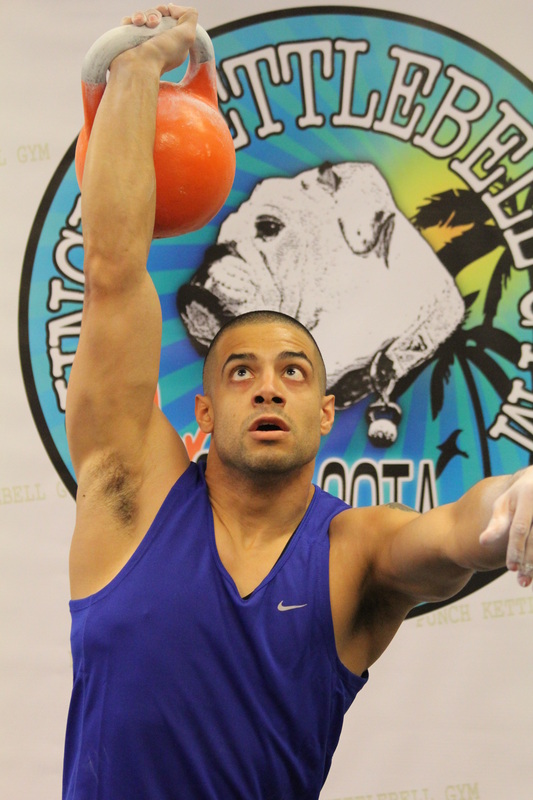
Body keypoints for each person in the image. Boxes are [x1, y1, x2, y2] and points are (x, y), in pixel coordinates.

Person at [64, 5, 533, 799]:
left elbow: (458, 531)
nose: (268, 385)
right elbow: (113, 269)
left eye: (293, 371)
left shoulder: (355, 552)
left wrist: (514, 494)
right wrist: (136, 72)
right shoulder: (128, 498)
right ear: (202, 413)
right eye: (239, 372)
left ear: (325, 411)